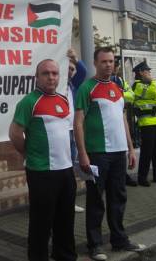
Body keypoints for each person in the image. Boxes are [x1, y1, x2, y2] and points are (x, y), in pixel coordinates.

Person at [74, 47, 145, 261]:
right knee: (96, 200)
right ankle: (94, 245)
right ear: (95, 63)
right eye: (104, 61)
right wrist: (83, 154)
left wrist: (131, 149)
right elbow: (78, 123)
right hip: (97, 153)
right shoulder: (87, 88)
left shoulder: (117, 87)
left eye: (111, 61)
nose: (108, 65)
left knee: (118, 197)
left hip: (118, 153)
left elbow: (122, 119)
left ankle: (119, 239)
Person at [9, 59, 77, 261]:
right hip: (41, 172)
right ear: (37, 77)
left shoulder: (63, 100)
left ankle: (64, 255)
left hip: (65, 170)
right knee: (41, 222)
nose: (51, 77)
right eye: (46, 73)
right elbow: (14, 133)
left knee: (65, 219)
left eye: (55, 73)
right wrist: (28, 154)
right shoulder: (29, 102)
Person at [132, 61, 156, 187]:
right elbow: (148, 93)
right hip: (146, 121)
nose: (149, 73)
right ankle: (142, 177)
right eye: (147, 71)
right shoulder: (137, 85)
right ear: (141, 73)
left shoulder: (155, 84)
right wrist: (155, 93)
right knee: (147, 151)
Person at [110, 57, 137, 187]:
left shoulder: (120, 80)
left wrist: (118, 93)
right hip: (110, 117)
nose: (116, 68)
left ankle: (123, 175)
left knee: (123, 145)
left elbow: (131, 95)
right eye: (115, 65)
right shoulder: (105, 80)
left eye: (117, 66)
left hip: (121, 114)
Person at [67, 49, 87, 212]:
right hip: (59, 134)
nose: (70, 71)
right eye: (67, 67)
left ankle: (69, 202)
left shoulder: (73, 85)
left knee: (70, 169)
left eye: (72, 69)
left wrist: (75, 58)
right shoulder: (54, 85)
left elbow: (83, 71)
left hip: (71, 132)